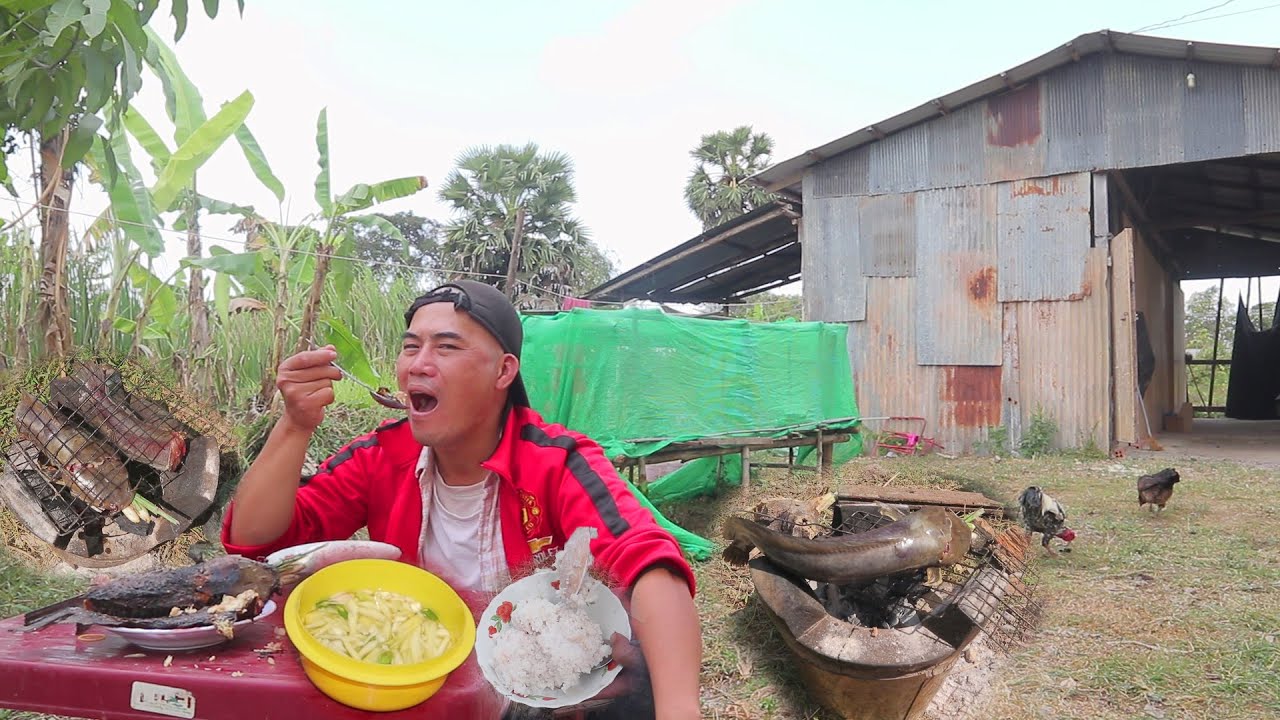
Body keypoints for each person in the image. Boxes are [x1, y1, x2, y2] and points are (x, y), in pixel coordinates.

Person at [222, 280, 702, 720]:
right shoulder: (380, 456)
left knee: (637, 681)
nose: (418, 363)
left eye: (446, 347)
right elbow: (257, 541)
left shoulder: (556, 462)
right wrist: (296, 424)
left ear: (503, 371)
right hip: (415, 681)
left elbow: (648, 562)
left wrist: (680, 710)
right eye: (411, 346)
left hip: (538, 685)